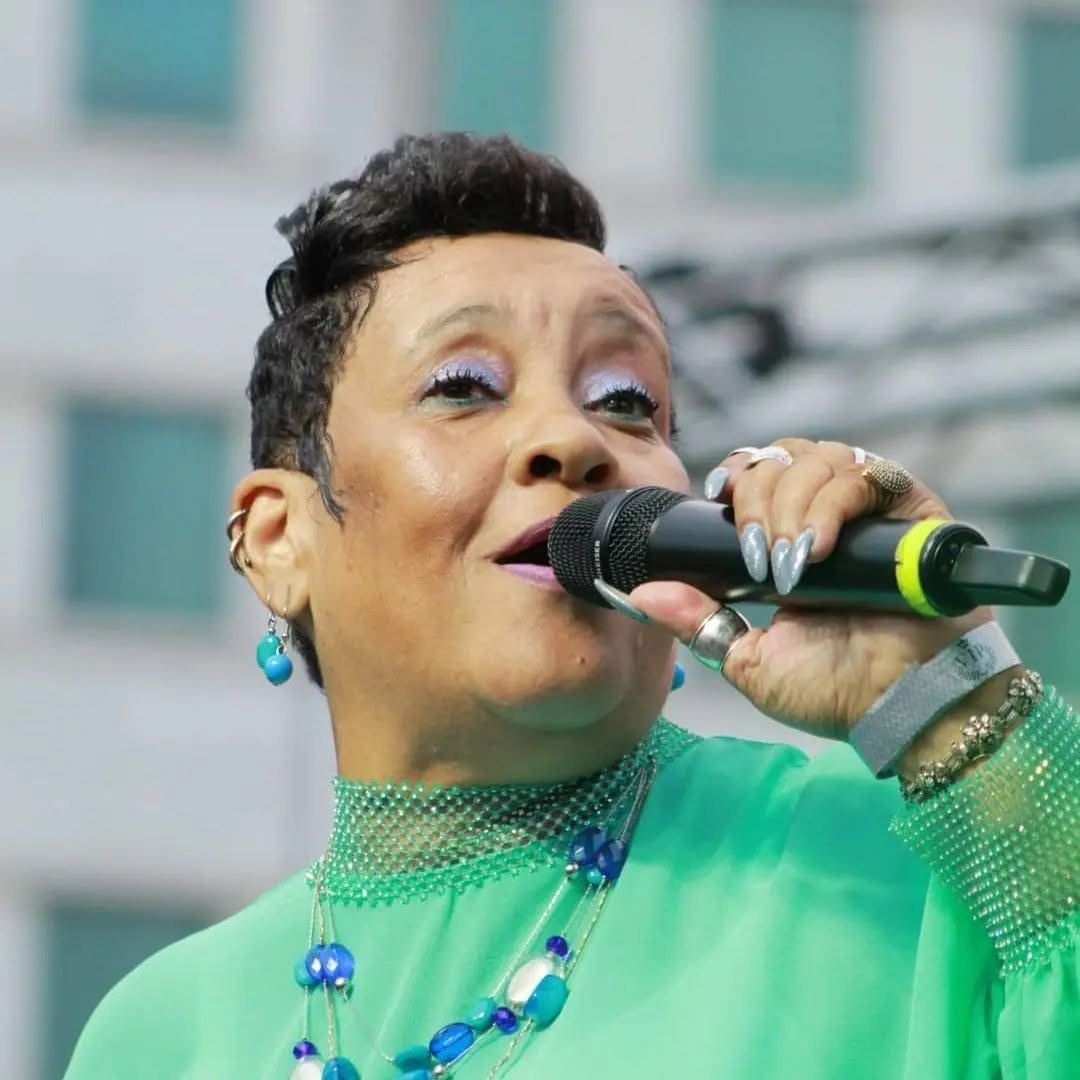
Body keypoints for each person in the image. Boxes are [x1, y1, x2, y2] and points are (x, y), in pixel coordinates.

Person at [64, 133, 1077, 1080]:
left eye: (626, 402)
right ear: (280, 539)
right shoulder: (165, 1034)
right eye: (465, 386)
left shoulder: (906, 857)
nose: (574, 440)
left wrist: (964, 715)